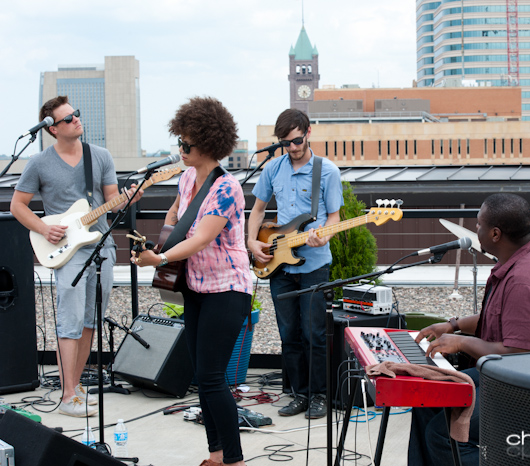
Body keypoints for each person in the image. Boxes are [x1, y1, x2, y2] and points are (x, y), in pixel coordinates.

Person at [408, 193, 530, 465]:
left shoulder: (525, 280)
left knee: (443, 434)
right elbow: (496, 316)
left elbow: (516, 352)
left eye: (479, 225)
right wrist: (452, 325)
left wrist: (461, 343)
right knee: (426, 398)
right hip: (515, 377)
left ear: (496, 234)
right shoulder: (517, 261)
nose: (476, 230)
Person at [132, 96, 251, 466]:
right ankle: (215, 456)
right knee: (203, 378)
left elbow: (201, 237)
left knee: (214, 378)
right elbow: (177, 218)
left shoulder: (226, 188)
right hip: (197, 289)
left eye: (187, 144)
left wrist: (162, 257)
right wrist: (161, 239)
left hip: (228, 291)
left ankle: (233, 460)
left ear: (208, 144)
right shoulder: (186, 178)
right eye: (179, 141)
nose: (181, 149)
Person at [10, 96, 142, 417]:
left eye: (76, 115)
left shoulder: (99, 156)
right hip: (65, 250)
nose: (76, 120)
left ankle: (76, 387)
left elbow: (112, 201)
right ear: (52, 129)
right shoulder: (39, 163)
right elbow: (17, 205)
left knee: (89, 321)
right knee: (69, 321)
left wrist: (129, 199)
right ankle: (68, 396)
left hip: (100, 246)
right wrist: (44, 229)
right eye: (68, 119)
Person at [247, 108, 343, 419]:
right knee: (289, 335)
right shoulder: (273, 169)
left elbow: (334, 217)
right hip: (279, 266)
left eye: (297, 140)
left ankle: (320, 396)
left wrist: (323, 236)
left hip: (314, 264)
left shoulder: (326, 171)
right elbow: (258, 210)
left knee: (314, 334)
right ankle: (299, 393)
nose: (292, 147)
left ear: (308, 132)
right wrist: (251, 242)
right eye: (285, 142)